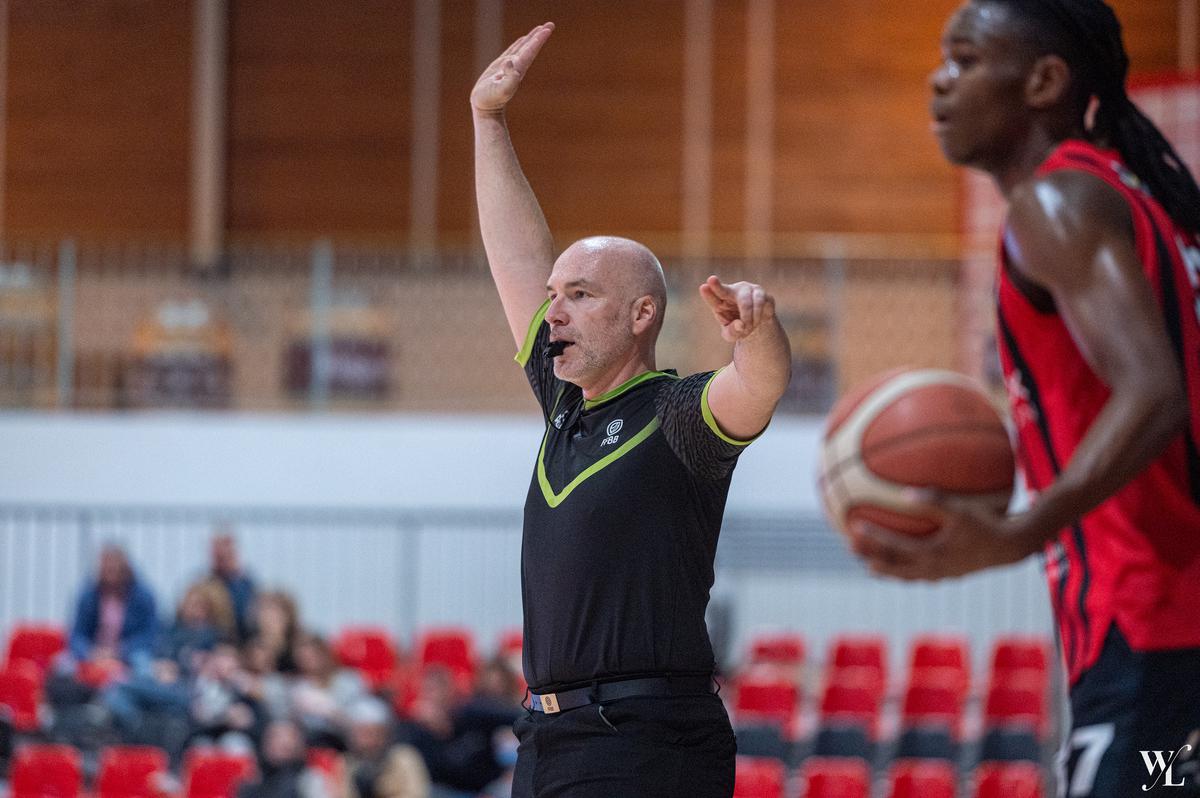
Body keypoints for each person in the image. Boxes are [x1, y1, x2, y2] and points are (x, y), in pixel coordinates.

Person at [851, 2, 1200, 795]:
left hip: (1152, 627)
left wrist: (1022, 529)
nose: (939, 83)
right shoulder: (1135, 202)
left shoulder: (1055, 203)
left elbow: (1155, 394)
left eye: (965, 60)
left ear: (1044, 81)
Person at [471, 24, 791, 798]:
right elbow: (518, 258)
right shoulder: (561, 403)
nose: (554, 312)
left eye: (580, 296)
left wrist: (760, 335)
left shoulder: (678, 415)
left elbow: (758, 388)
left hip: (647, 742)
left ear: (642, 313)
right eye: (555, 298)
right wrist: (487, 122)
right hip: (548, 739)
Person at [66, 544, 159, 676]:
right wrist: (90, 652)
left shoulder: (143, 596)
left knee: (143, 668)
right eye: (106, 566)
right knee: (62, 667)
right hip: (93, 653)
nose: (111, 570)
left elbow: (150, 635)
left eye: (114, 566)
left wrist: (119, 651)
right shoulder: (88, 595)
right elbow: (76, 635)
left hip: (129, 653)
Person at [203, 527, 258, 642]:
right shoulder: (204, 584)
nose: (222, 556)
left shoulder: (246, 585)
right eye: (218, 552)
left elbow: (246, 616)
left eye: (226, 551)